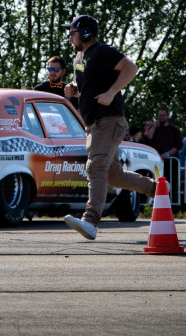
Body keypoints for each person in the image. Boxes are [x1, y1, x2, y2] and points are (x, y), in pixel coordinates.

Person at [60, 15, 157, 240]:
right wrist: (74, 89)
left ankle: (91, 221)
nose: (69, 36)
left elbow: (131, 68)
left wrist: (111, 92)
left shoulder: (103, 51)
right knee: (113, 175)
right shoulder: (79, 58)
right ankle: (157, 189)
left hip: (108, 121)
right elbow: (88, 82)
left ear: (85, 33)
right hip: (93, 125)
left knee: (95, 168)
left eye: (72, 32)